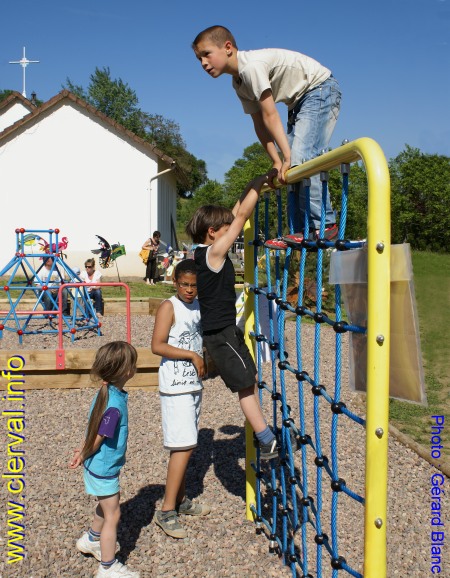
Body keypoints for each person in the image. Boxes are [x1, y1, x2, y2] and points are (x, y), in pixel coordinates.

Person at [192, 25, 342, 249]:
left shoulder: (251, 67)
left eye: (207, 54)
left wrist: (288, 156)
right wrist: (277, 160)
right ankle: (301, 230)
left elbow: (271, 115)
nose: (203, 63)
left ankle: (325, 224)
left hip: (319, 89)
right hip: (298, 102)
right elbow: (259, 124)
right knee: (288, 172)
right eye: (199, 59)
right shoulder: (238, 83)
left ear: (228, 48)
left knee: (302, 159)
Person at [185, 171, 279, 460]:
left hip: (225, 333)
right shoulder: (213, 254)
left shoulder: (204, 250)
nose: (233, 229)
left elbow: (237, 212)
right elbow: (240, 219)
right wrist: (262, 183)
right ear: (213, 233)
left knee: (248, 380)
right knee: (246, 386)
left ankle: (265, 436)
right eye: (225, 228)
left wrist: (256, 182)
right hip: (220, 335)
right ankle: (266, 440)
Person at [151, 259, 210, 538]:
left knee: (186, 444)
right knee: (183, 445)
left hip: (192, 384)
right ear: (175, 282)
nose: (189, 290)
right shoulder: (169, 307)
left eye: (194, 286)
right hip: (175, 385)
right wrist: (191, 354)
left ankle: (180, 499)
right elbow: (157, 345)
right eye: (184, 284)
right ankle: (166, 510)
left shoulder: (198, 306)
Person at [69, 341, 139, 578]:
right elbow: (99, 436)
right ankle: (107, 567)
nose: (135, 367)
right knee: (113, 514)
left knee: (105, 504)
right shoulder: (114, 405)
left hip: (97, 464)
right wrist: (84, 452)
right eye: (133, 363)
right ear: (126, 371)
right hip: (103, 467)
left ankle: (91, 539)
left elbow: (93, 429)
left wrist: (82, 451)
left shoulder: (106, 392)